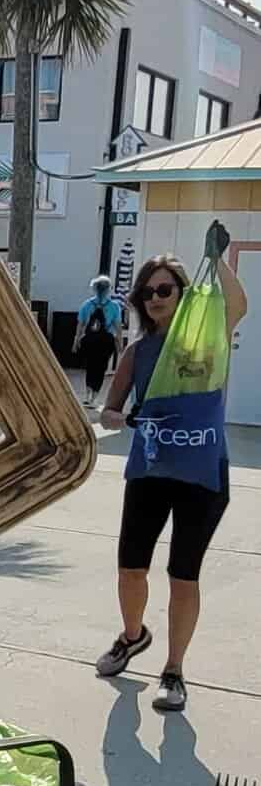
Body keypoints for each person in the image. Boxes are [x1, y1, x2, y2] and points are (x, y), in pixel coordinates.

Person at [98, 227, 247, 712]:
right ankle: (131, 635)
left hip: (203, 474)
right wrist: (119, 416)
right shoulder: (138, 352)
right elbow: (109, 410)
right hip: (150, 470)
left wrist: (215, 259)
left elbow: (236, 305)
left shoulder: (209, 343)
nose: (156, 297)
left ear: (184, 293)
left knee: (184, 574)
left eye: (166, 288)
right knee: (130, 569)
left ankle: (174, 670)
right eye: (148, 291)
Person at [73, 274, 122, 407]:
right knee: (101, 368)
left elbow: (81, 324)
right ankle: (94, 396)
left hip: (90, 340)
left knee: (90, 366)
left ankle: (88, 394)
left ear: (94, 288)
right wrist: (120, 344)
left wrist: (76, 340)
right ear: (109, 289)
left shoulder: (87, 304)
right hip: (106, 341)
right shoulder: (114, 306)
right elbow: (118, 327)